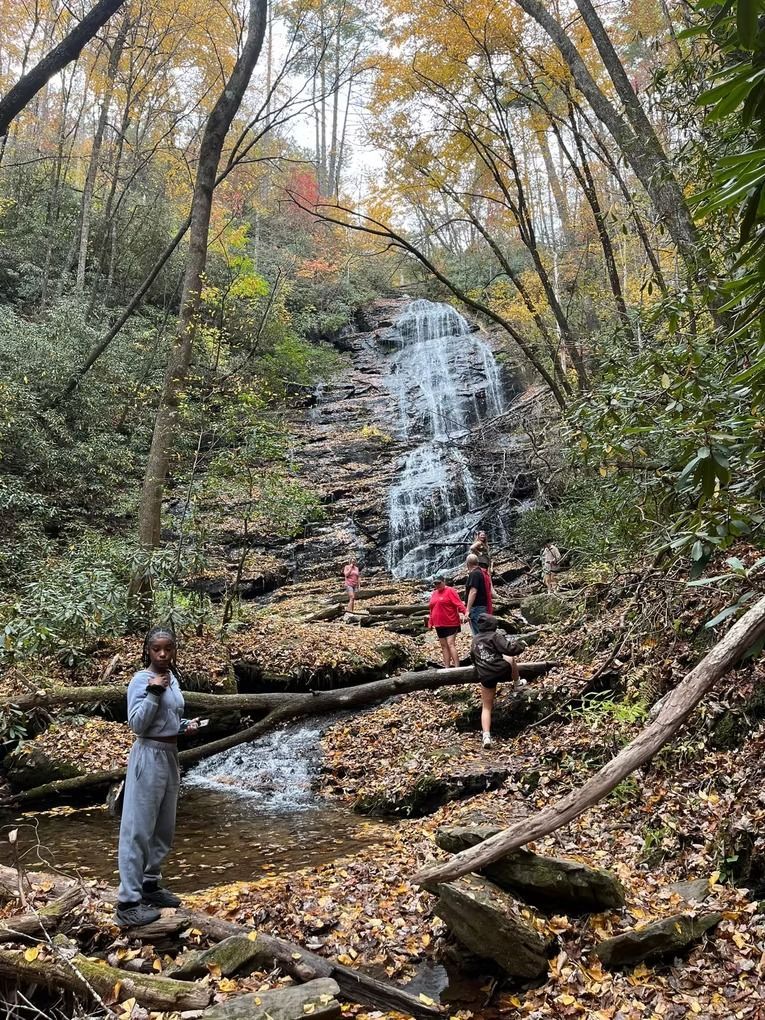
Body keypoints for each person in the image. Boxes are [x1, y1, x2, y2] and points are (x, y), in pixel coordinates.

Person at [115, 626, 200, 928]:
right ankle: (127, 903)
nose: (163, 654)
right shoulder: (141, 681)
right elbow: (137, 724)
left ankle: (150, 886)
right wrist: (153, 692)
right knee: (138, 828)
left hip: (169, 755)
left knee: (164, 827)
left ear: (175, 649)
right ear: (147, 651)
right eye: (156, 649)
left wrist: (184, 725)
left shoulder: (173, 679)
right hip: (147, 756)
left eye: (168, 648)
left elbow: (169, 717)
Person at [471, 613, 526, 749]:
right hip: (501, 670)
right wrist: (521, 645)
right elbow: (509, 649)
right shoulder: (495, 636)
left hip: (485, 675)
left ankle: (486, 735)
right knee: (510, 658)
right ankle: (517, 683)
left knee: (486, 707)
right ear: (493, 625)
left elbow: (473, 657)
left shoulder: (475, 639)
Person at [427, 572, 467, 668]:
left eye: (439, 583)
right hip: (438, 624)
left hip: (451, 622)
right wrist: (430, 622)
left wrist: (466, 613)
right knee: (444, 646)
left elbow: (459, 604)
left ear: (444, 581)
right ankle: (446, 667)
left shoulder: (450, 591)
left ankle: (457, 667)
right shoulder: (434, 593)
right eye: (435, 583)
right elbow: (432, 608)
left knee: (450, 644)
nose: (437, 585)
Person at [464, 552, 494, 635]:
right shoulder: (481, 572)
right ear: (477, 562)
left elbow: (473, 591)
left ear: (468, 564)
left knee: (478, 634)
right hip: (482, 607)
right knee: (483, 631)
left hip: (476, 608)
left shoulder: (474, 574)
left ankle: (482, 647)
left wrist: (467, 610)